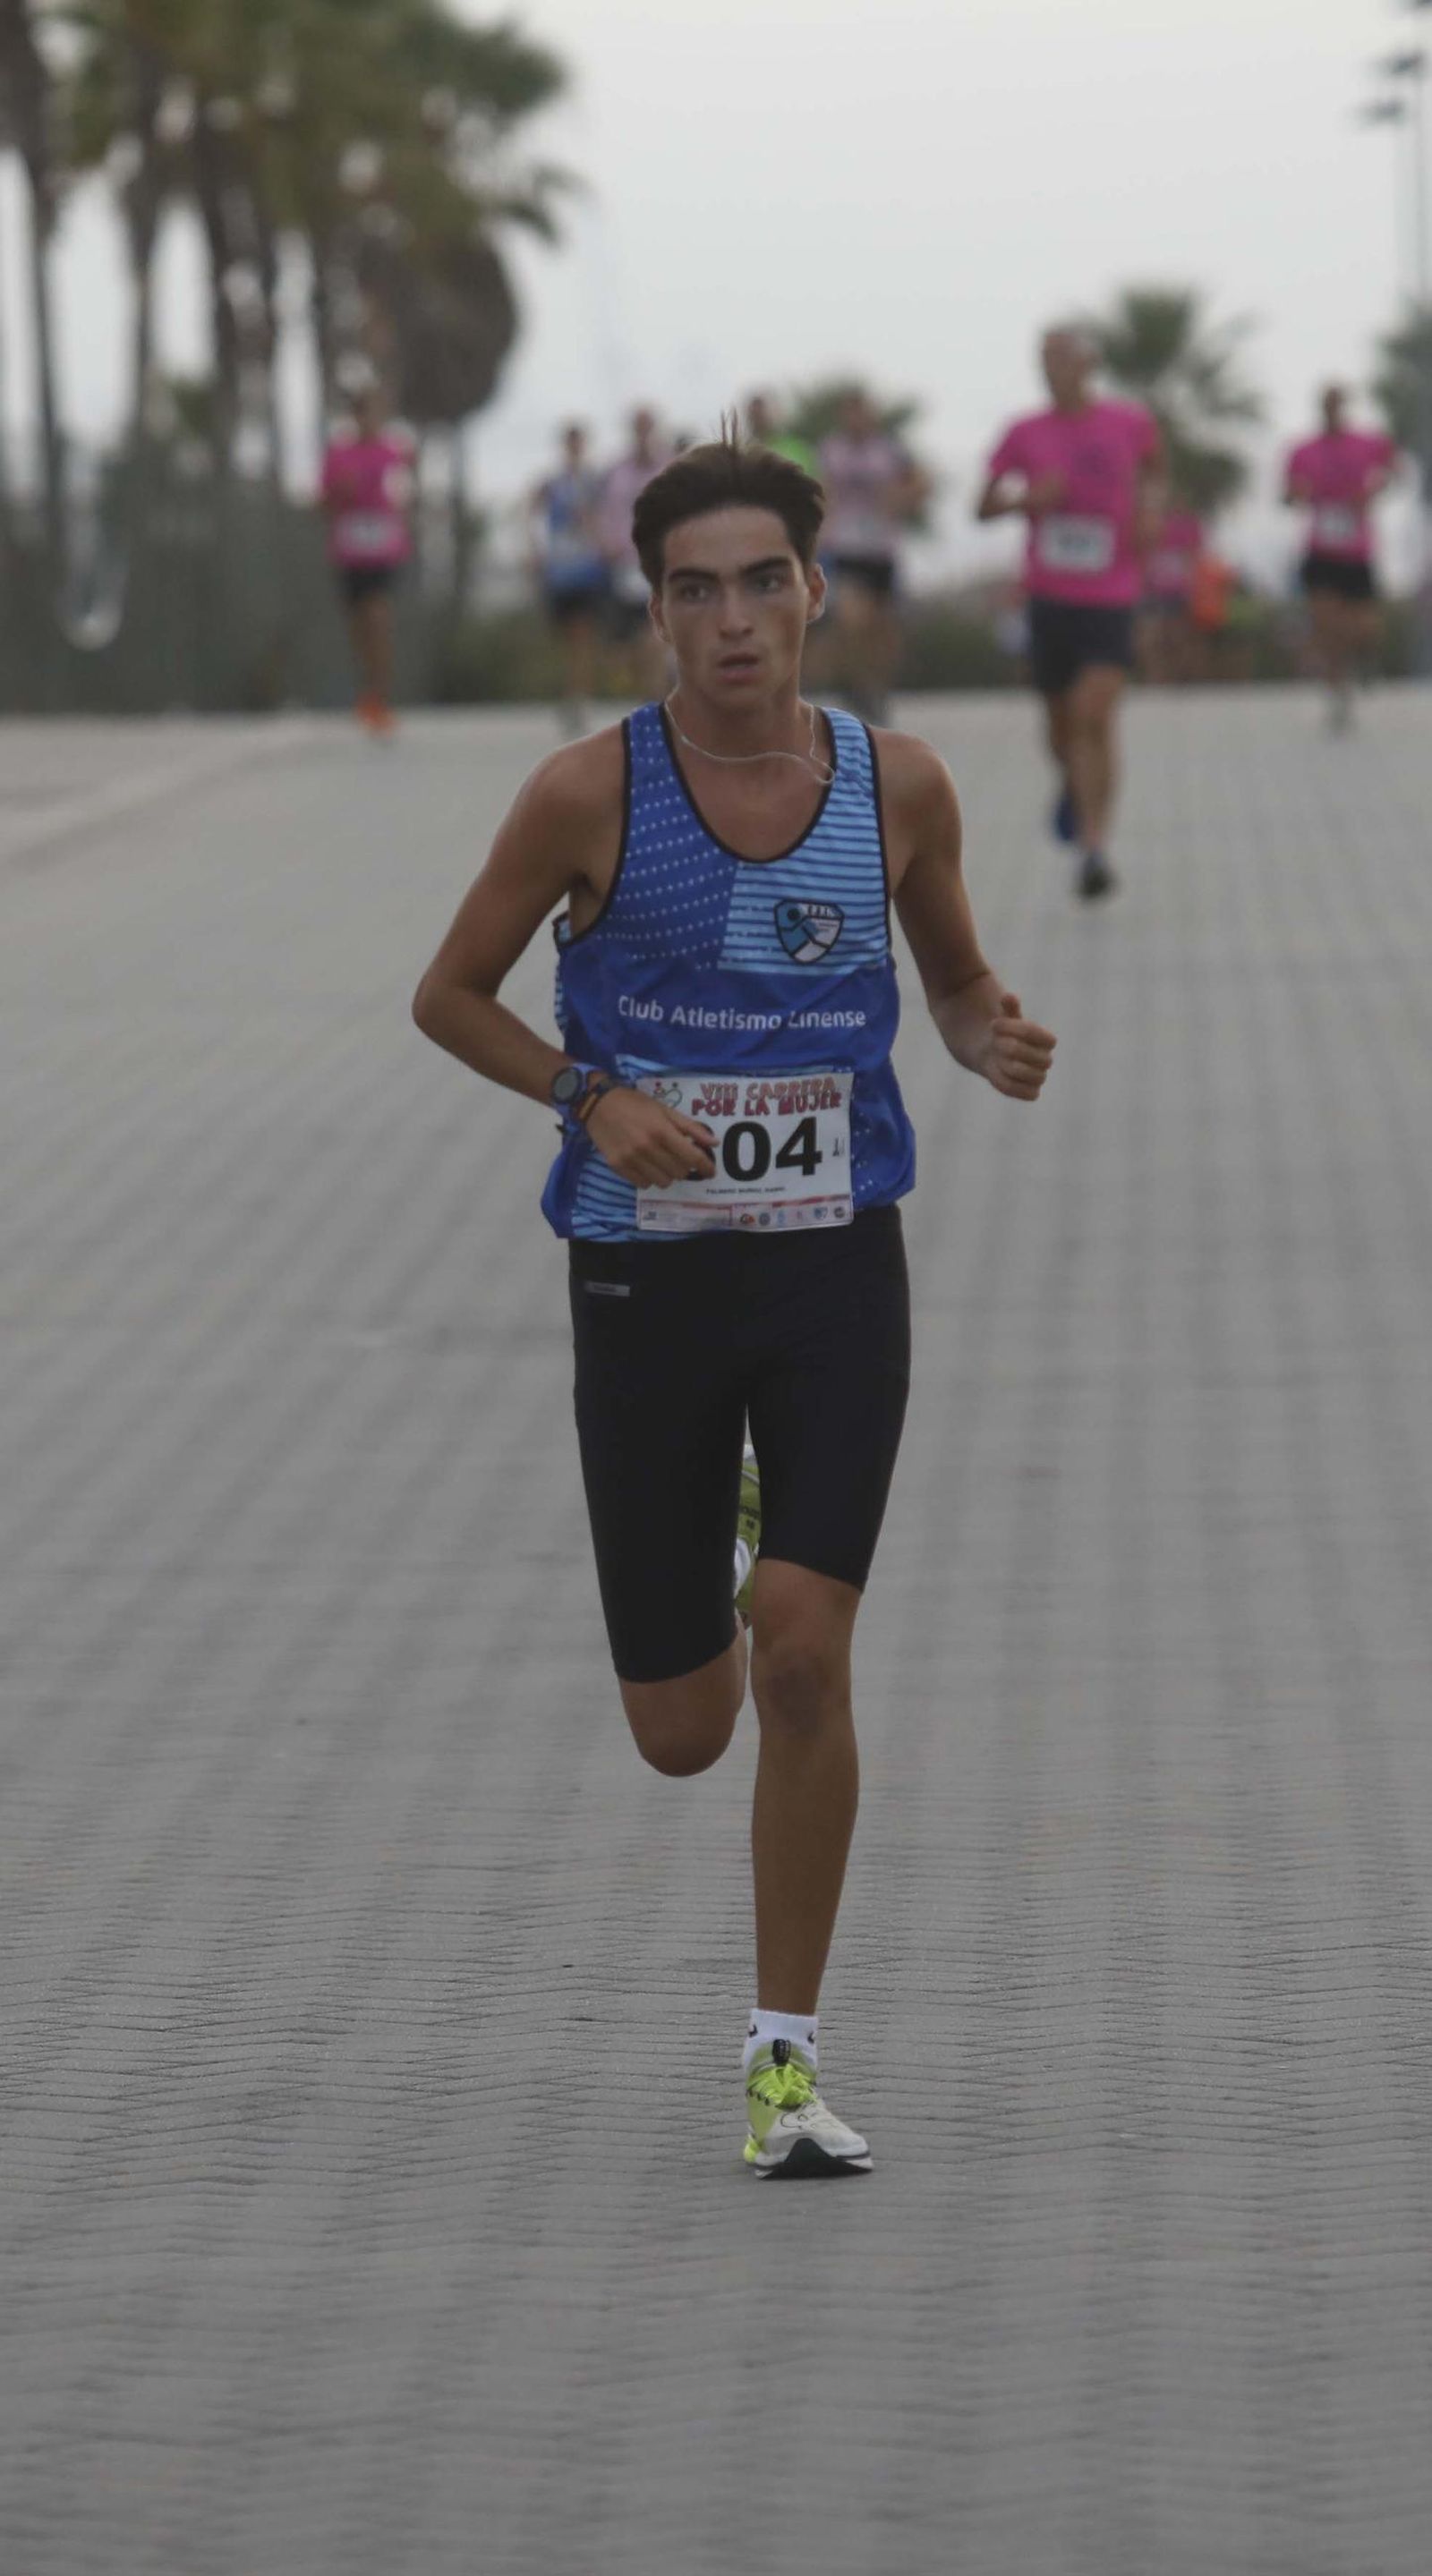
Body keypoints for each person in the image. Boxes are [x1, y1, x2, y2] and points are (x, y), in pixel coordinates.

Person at [411, 429, 1055, 2178]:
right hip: (643, 1276)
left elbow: (949, 967)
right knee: (680, 1728)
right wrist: (583, 1093)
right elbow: (446, 994)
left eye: (759, 582)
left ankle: (783, 2055)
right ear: (655, 613)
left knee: (802, 1647)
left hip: (837, 1264)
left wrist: (984, 1031)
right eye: (690, 590)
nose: (730, 621)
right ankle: (725, 1539)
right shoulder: (583, 796)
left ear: (812, 591)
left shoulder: (896, 783)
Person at [975, 326, 1161, 901]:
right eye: (1044, 359)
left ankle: (1093, 847)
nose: (1052, 368)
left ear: (1089, 363)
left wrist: (1150, 513)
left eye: (1062, 357)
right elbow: (982, 506)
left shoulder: (1128, 422)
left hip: (1112, 595)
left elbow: (1156, 470)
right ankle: (1074, 788)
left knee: (1093, 713)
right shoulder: (1023, 433)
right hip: (1049, 597)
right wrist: (1027, 501)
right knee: (1061, 726)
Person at [1283, 386, 1400, 732]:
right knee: (1326, 627)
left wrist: (1373, 491)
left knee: (1364, 627)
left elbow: (1394, 471)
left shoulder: (1367, 444)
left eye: (1338, 404)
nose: (1332, 410)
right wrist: (1297, 495)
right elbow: (1287, 495)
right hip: (1320, 551)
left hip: (1357, 551)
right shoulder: (1302, 450)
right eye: (1327, 404)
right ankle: (1338, 696)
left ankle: (1363, 657)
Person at [817, 388, 928, 722]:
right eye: (850, 414)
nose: (857, 421)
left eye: (862, 413)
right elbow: (821, 490)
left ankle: (877, 688)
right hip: (847, 549)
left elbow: (921, 483)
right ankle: (857, 685)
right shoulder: (831, 451)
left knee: (883, 630)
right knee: (852, 620)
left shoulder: (890, 451)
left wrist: (901, 499)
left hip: (883, 550)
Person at [320, 378, 414, 735]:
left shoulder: (394, 454)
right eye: (363, 414)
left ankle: (380, 696)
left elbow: (405, 497)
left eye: (375, 414)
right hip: (350, 550)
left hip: (384, 549)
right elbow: (322, 503)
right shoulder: (338, 455)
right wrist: (339, 495)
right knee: (359, 628)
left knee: (379, 618)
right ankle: (367, 689)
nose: (369, 421)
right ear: (354, 417)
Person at [529, 423, 609, 736]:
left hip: (587, 567)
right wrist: (535, 549)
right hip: (560, 569)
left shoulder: (594, 482)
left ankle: (580, 698)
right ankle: (571, 693)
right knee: (566, 637)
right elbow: (532, 512)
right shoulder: (553, 483)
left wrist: (602, 541)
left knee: (583, 634)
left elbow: (608, 514)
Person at [599, 406, 672, 701]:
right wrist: (605, 543)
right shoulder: (616, 471)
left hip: (659, 563)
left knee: (654, 635)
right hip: (623, 565)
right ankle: (648, 692)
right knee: (626, 647)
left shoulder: (669, 467)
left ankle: (657, 703)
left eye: (648, 427)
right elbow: (605, 510)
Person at [1139, 494, 1206, 684]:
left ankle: (1179, 676)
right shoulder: (1149, 522)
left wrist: (1193, 586)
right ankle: (1157, 678)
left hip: (1179, 590)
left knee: (1178, 637)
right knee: (1152, 637)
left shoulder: (1189, 525)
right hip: (1152, 589)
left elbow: (1193, 556)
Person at [744, 391, 818, 477]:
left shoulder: (796, 446)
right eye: (755, 416)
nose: (759, 420)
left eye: (761, 414)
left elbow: (818, 478)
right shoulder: (748, 455)